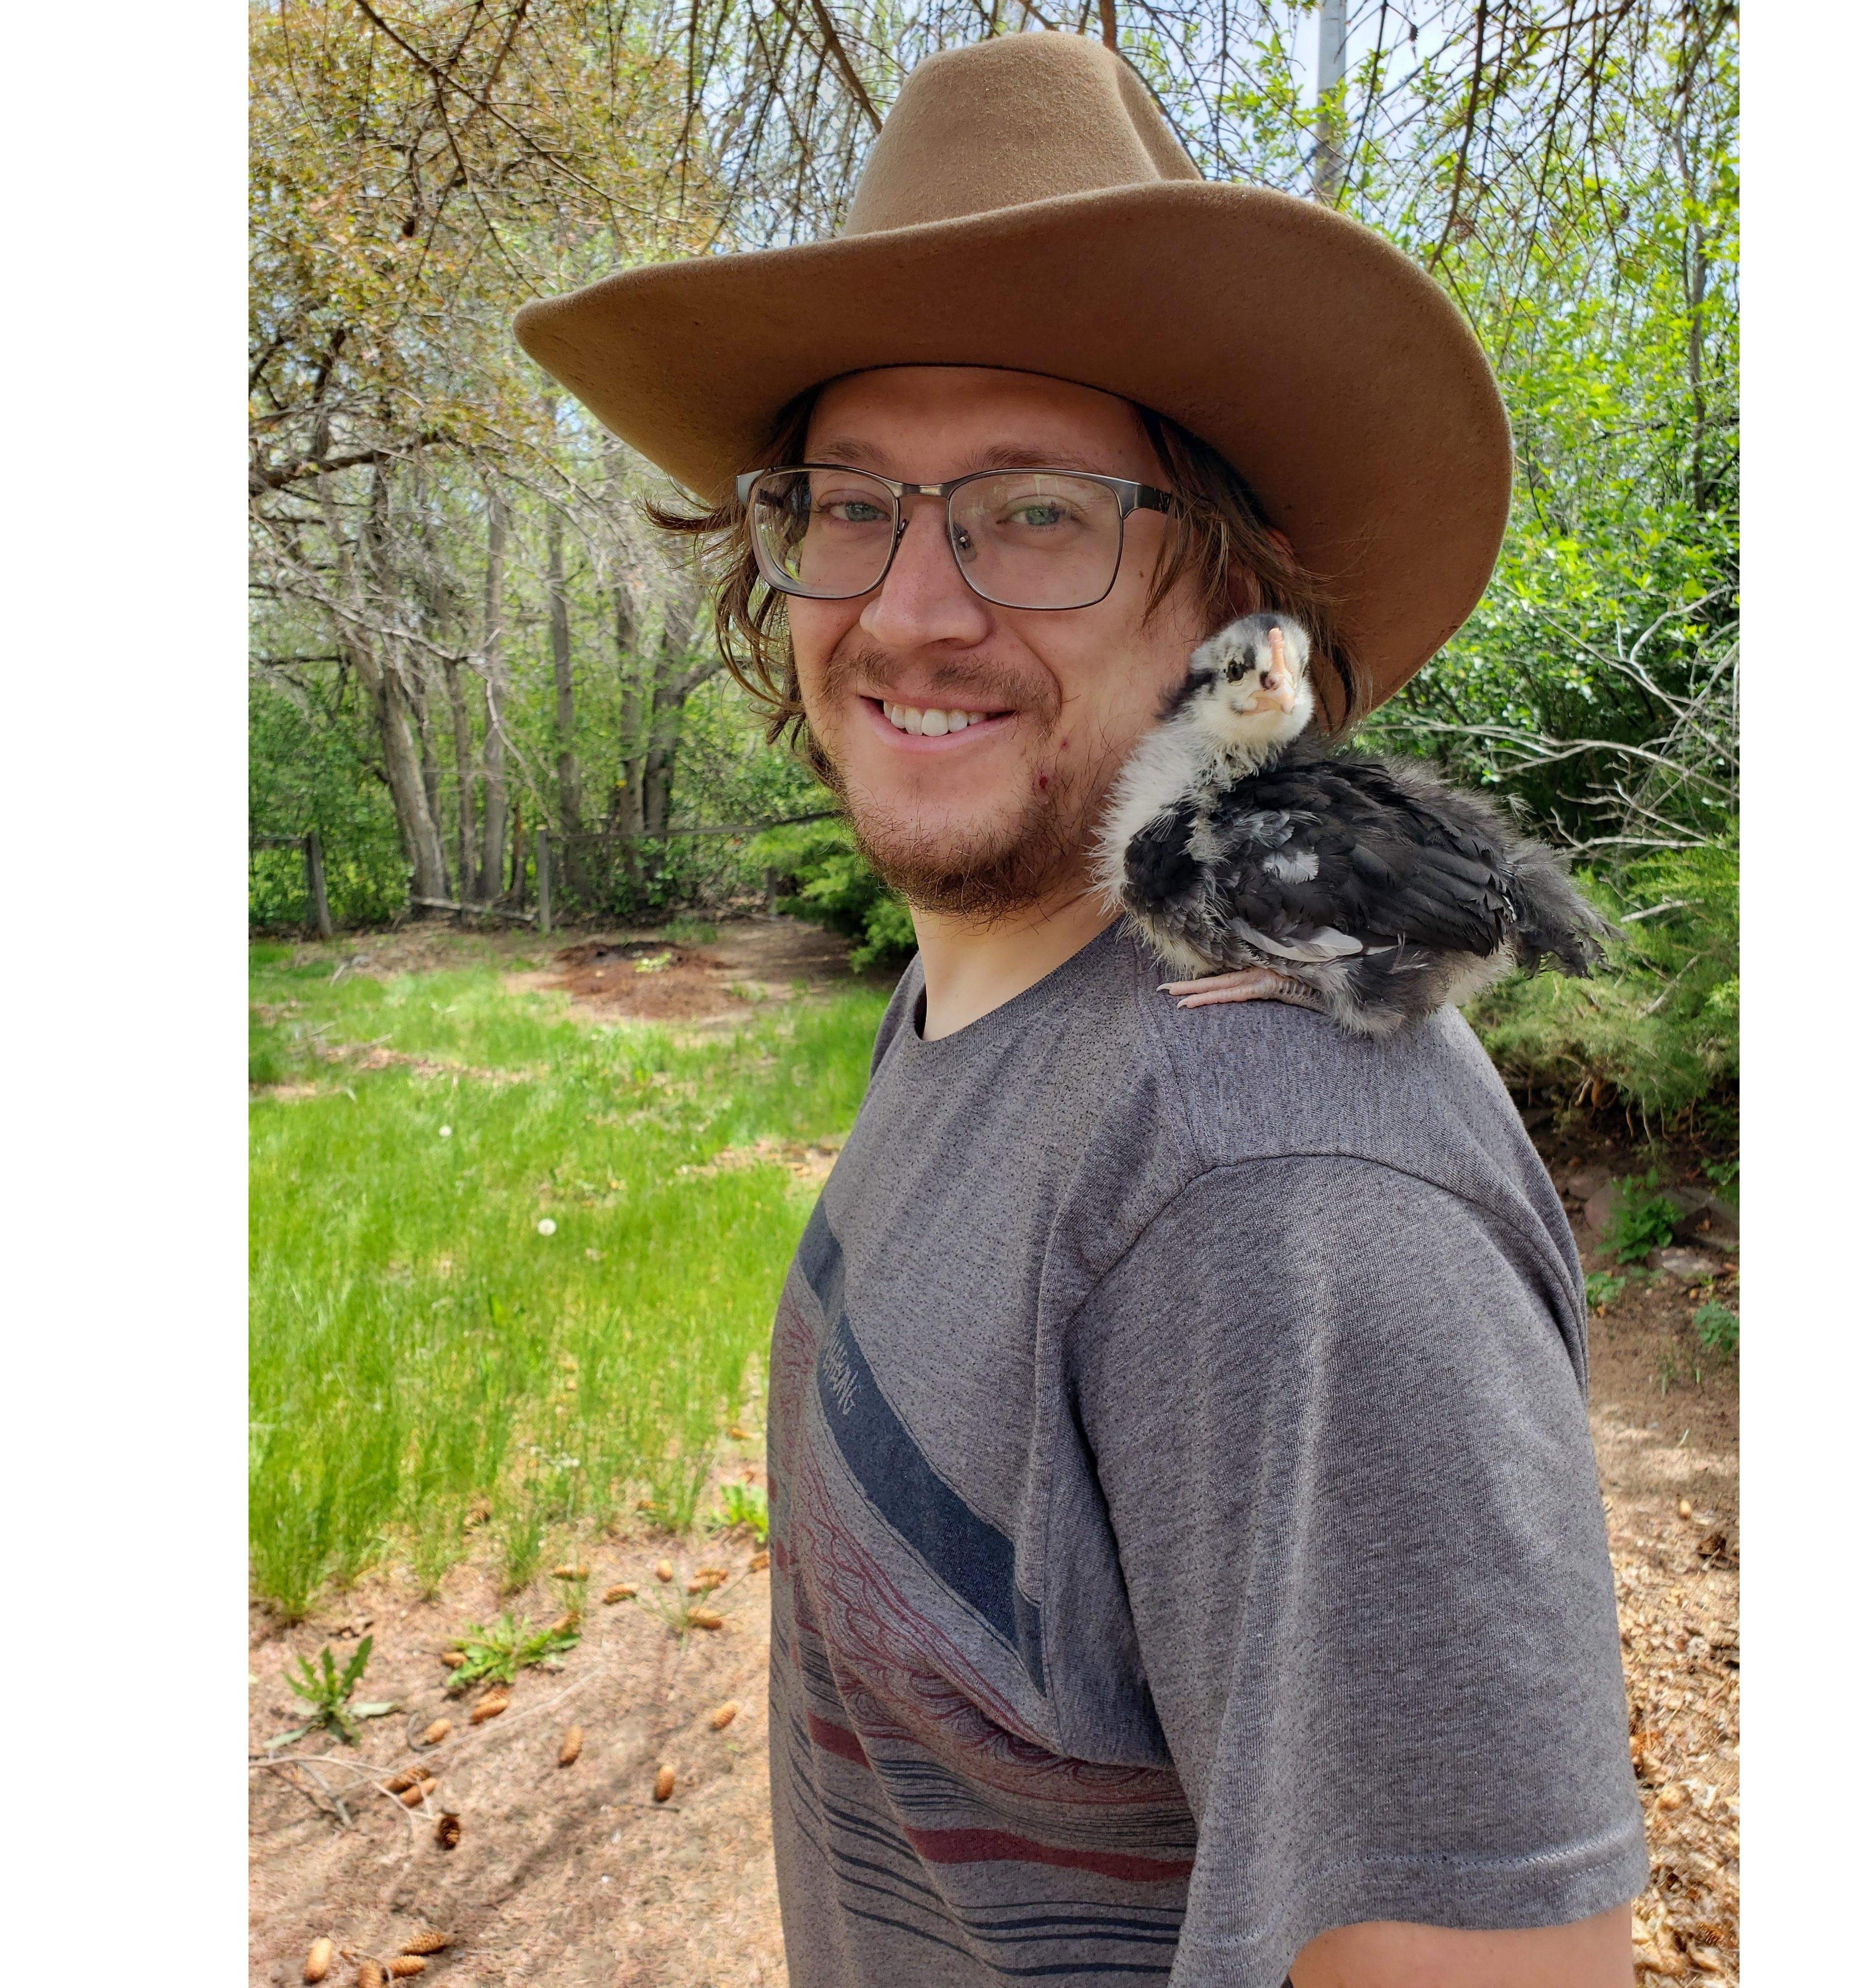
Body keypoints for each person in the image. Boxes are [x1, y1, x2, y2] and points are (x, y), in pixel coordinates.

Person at [516, 32, 1645, 1988]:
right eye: (849, 504)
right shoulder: (985, 979)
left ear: (1220, 605)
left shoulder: (1276, 1186)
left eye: (1034, 513)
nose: (912, 608)